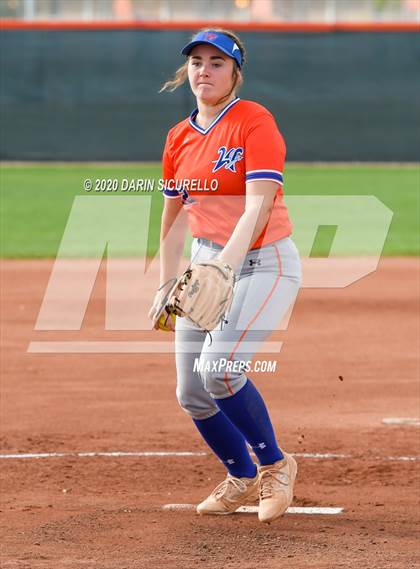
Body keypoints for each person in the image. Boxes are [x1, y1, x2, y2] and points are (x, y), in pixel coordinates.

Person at [149, 28, 302, 524]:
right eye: (196, 61)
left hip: (263, 262)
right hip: (206, 262)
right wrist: (165, 282)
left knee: (219, 369)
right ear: (186, 71)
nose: (204, 70)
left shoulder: (253, 121)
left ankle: (276, 466)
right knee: (190, 391)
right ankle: (240, 476)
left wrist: (224, 264)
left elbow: (258, 206)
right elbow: (172, 219)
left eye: (217, 62)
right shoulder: (177, 136)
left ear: (236, 72)